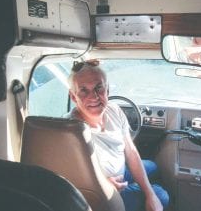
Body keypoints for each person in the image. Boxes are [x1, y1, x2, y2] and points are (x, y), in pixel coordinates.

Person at [67, 59, 169, 211]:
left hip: (120, 170)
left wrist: (149, 194)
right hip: (102, 191)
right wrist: (102, 184)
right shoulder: (69, 130)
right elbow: (68, 175)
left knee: (153, 166)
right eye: (83, 90)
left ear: (107, 90)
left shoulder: (115, 111)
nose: (94, 96)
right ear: (73, 97)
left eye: (98, 88)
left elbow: (131, 152)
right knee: (162, 195)